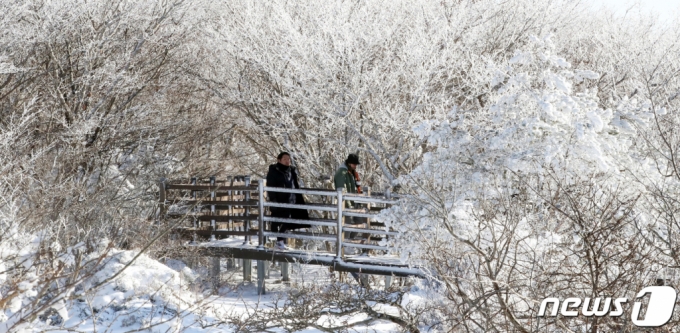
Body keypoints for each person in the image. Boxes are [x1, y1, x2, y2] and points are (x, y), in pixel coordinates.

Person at [266, 152, 310, 250]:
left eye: (289, 159)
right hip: (280, 200)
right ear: (279, 160)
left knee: (288, 220)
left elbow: (295, 184)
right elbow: (271, 186)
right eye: (285, 159)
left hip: (291, 200)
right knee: (277, 221)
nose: (287, 161)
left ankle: (280, 241)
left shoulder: (292, 171)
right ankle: (279, 241)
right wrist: (273, 200)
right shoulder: (274, 171)